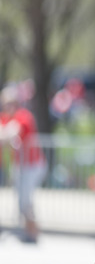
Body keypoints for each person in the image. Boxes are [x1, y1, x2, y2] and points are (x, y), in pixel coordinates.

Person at [0, 85, 47, 243]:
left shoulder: (23, 116)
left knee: (25, 199)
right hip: (19, 165)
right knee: (21, 200)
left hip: (32, 165)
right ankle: (29, 230)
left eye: (9, 103)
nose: (7, 107)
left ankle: (32, 232)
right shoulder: (6, 117)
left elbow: (11, 132)